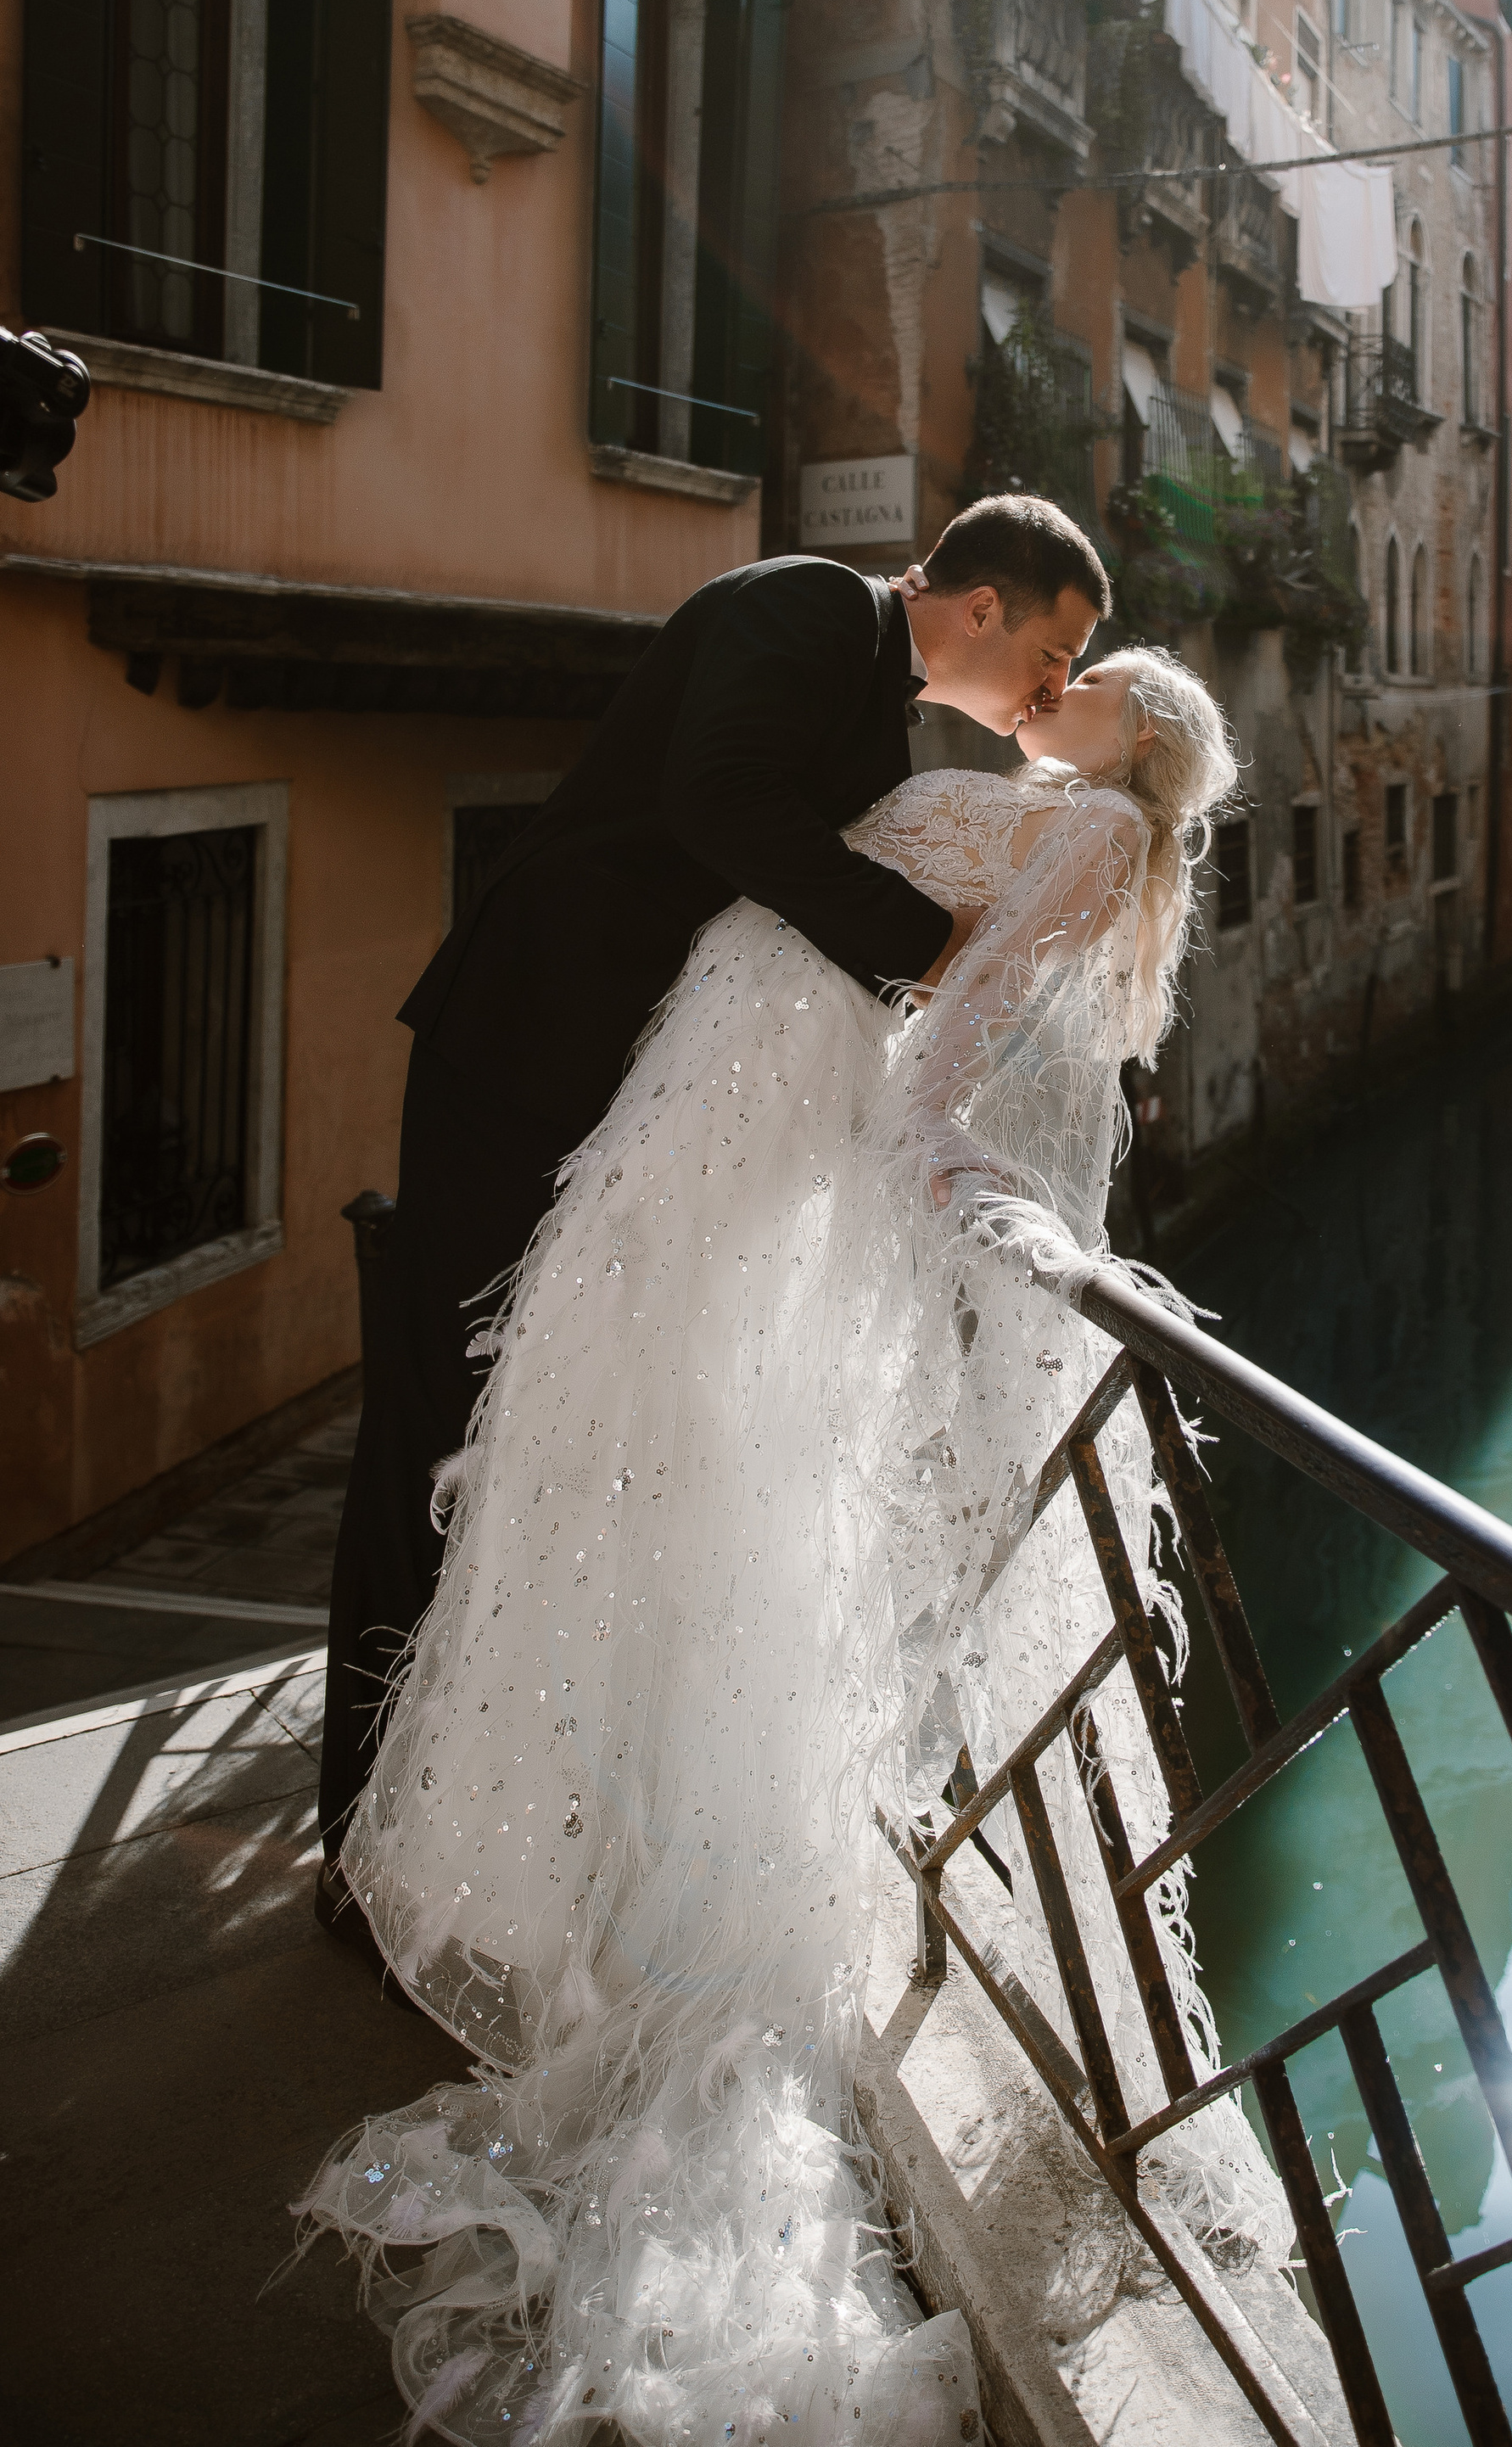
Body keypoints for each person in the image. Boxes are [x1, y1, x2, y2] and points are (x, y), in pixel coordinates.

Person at [297, 645, 1285, 2447]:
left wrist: (915, 1140)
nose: (1053, 681)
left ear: (1134, 731)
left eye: (1087, 676)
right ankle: (618, 1862)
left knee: (671, 1430)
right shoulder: (1053, 806)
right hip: (725, 1055)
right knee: (623, 1426)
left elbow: (964, 1017)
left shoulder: (1091, 836)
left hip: (772, 1071)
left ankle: (667, 1897)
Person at [316, 499, 1109, 1895]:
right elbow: (721, 800)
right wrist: (930, 944)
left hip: (624, 1091)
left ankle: (471, 1813)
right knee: (443, 1414)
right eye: (1054, 652)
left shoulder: (875, 706)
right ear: (983, 607)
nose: (1054, 690)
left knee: (550, 1427)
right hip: (523, 1051)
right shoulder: (806, 605)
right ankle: (360, 1838)